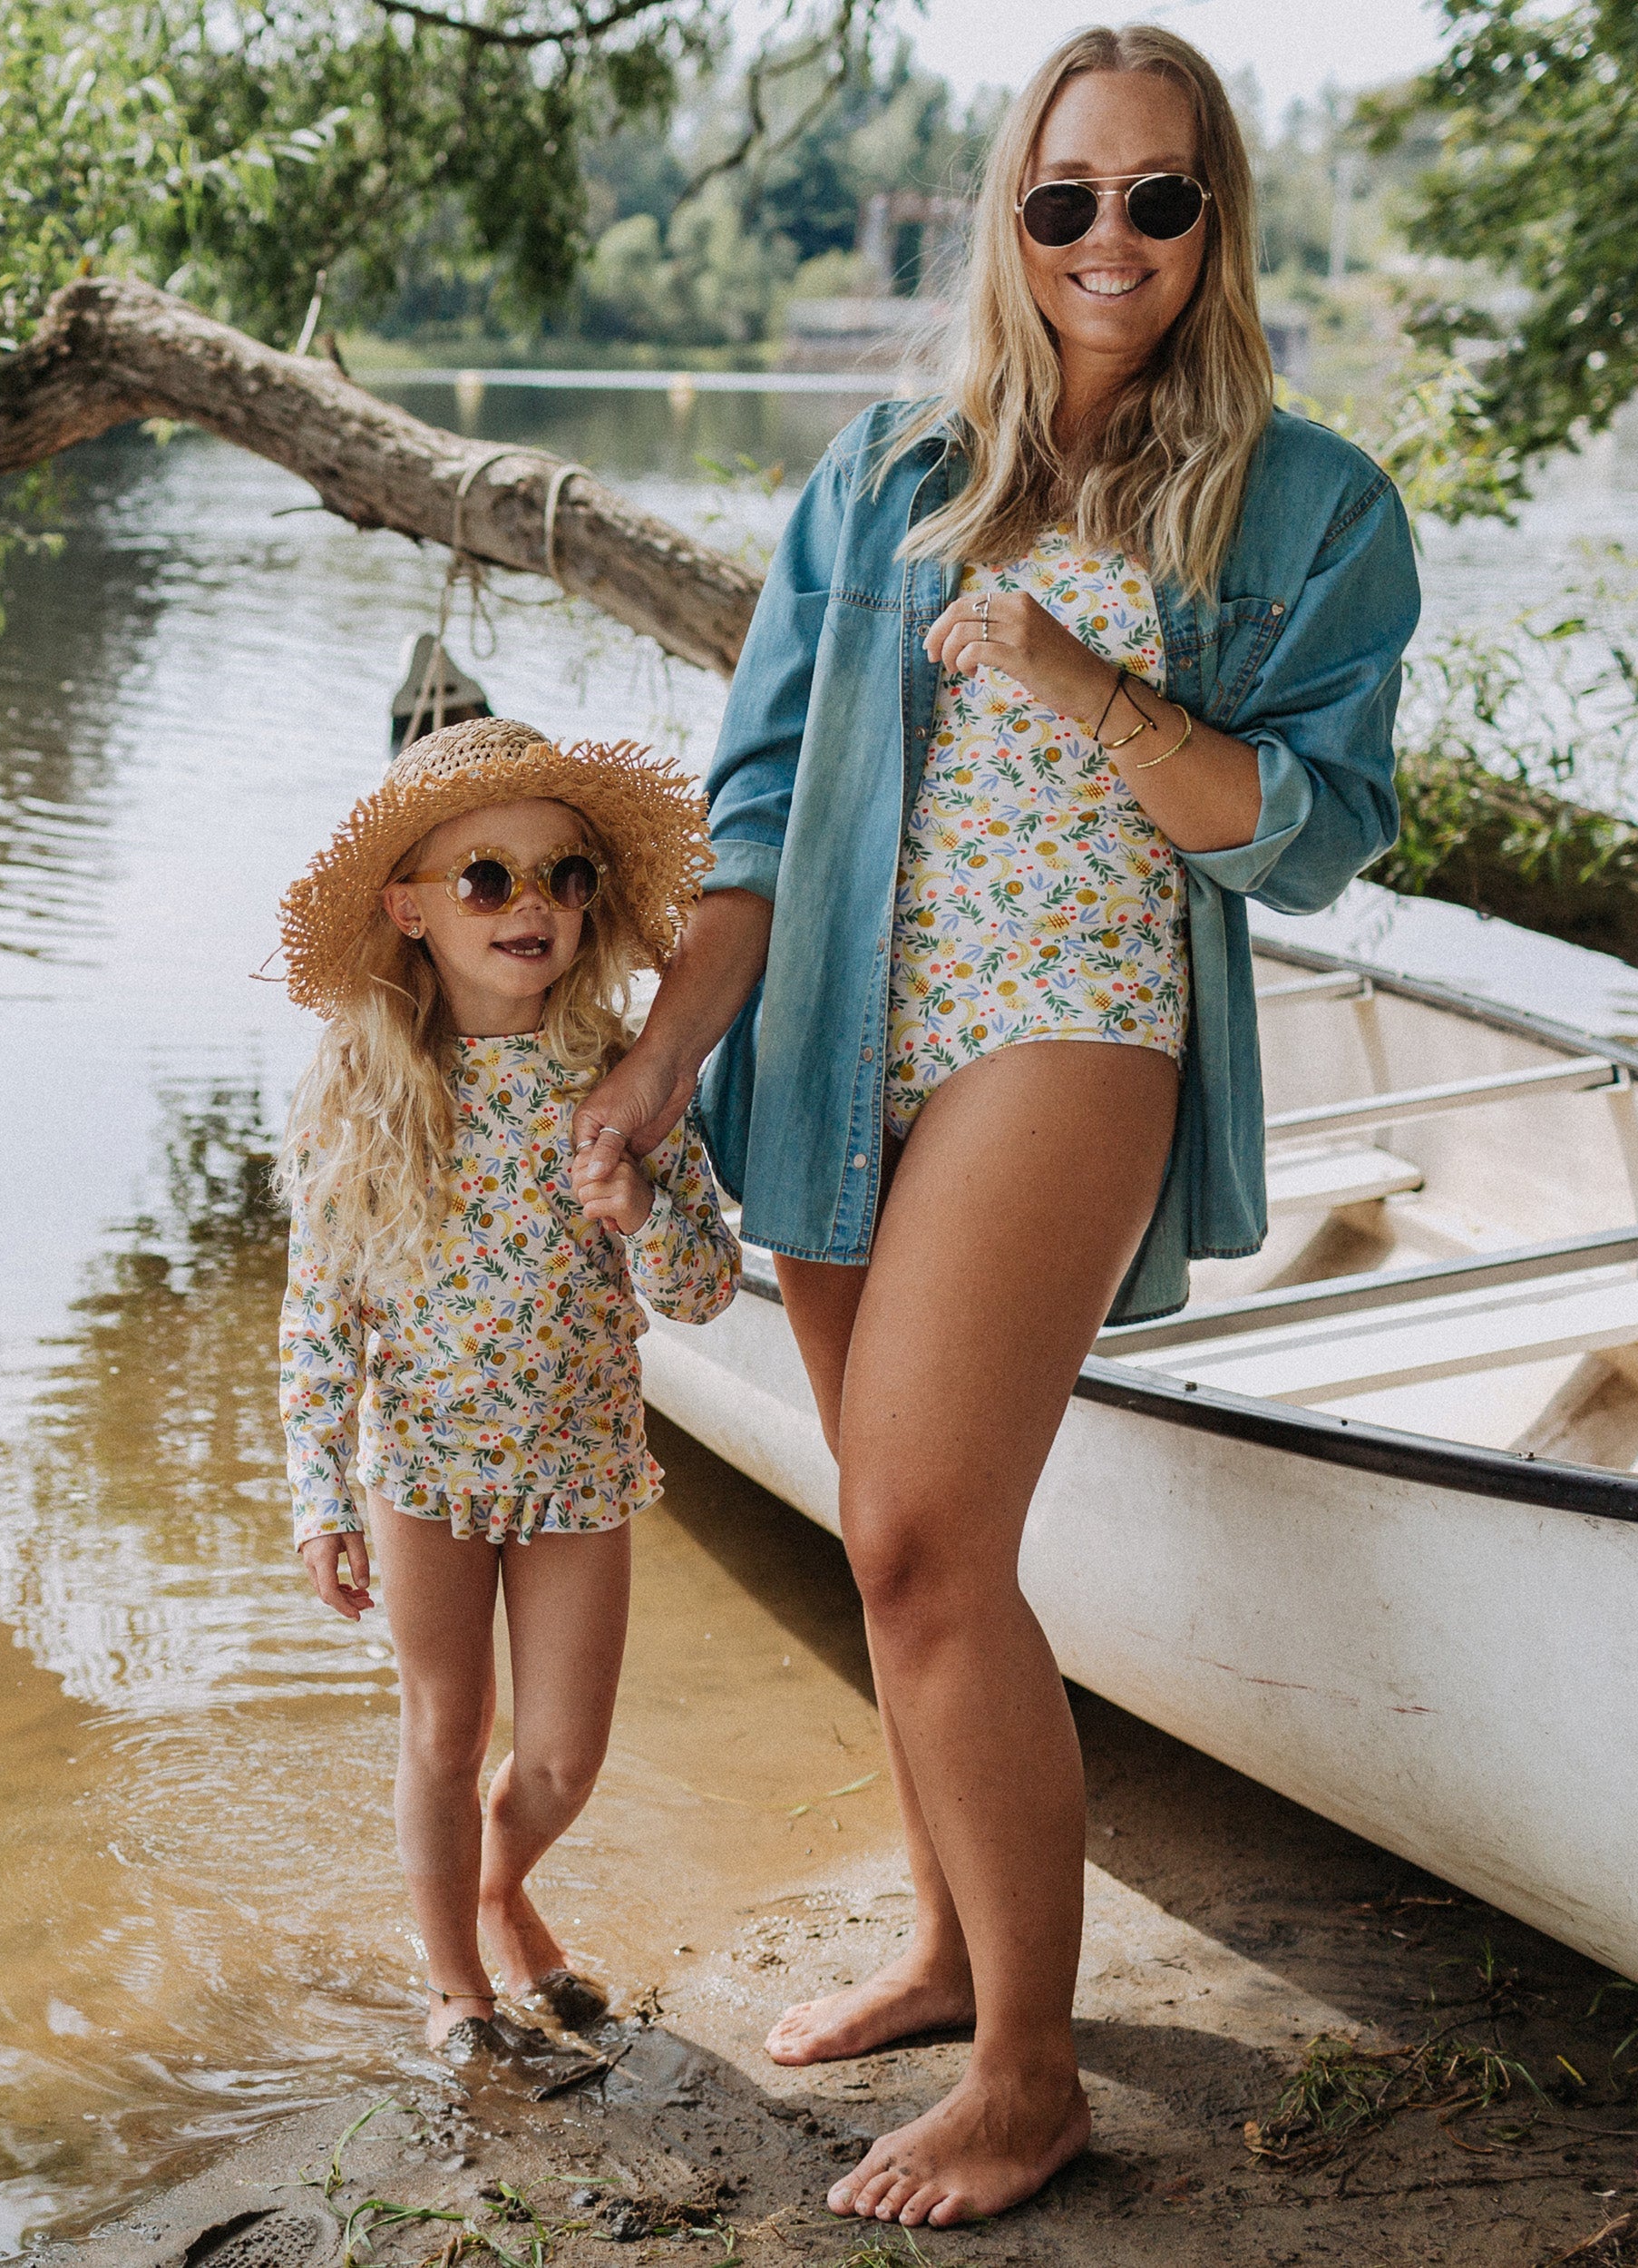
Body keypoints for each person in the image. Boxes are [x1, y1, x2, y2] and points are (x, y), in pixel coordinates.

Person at [570, 21, 1421, 2230]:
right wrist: (664, 1062)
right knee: (884, 1535)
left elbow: (1306, 837)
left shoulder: (1304, 506)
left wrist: (1079, 676)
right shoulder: (878, 474)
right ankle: (952, 1946)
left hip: (1075, 1024)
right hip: (844, 1037)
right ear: (1008, 219)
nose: (1108, 238)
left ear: (1213, 220)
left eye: (1156, 196)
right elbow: (752, 820)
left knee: (932, 1533)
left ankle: (1031, 2078)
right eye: (1065, 198)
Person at [277, 717, 740, 2060]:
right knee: (444, 1730)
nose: (530, 905)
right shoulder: (367, 1100)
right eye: (486, 877)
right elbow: (321, 1323)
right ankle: (459, 1984)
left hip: (580, 1466)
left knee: (557, 1761)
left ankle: (501, 1886)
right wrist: (322, 1497)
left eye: (563, 875)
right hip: (420, 1468)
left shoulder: (625, 1084)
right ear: (409, 908)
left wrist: (643, 1203)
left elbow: (703, 1290)